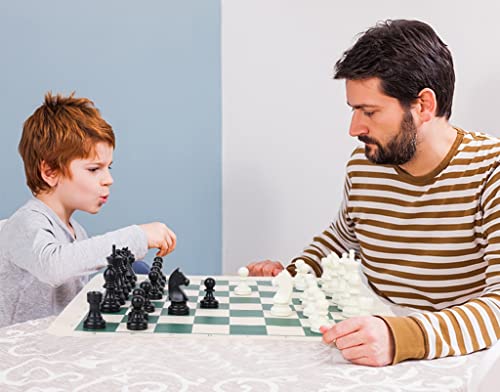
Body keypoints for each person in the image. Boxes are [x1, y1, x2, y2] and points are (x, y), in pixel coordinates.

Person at [247, 19, 500, 366]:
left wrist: (401, 337)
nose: (355, 129)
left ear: (424, 105)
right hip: (373, 336)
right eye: (354, 110)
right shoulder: (366, 162)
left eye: (370, 112)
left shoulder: (491, 171)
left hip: (458, 356)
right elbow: (342, 236)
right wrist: (294, 274)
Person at [0, 92, 177, 328]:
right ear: (50, 172)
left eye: (108, 167)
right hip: (19, 356)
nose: (109, 179)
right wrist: (137, 237)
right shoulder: (24, 223)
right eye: (94, 169)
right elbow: (53, 266)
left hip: (58, 349)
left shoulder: (77, 232)